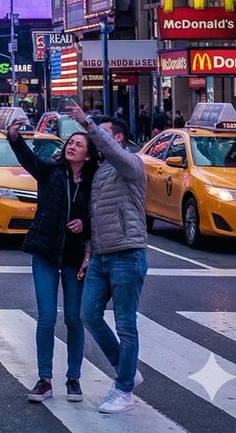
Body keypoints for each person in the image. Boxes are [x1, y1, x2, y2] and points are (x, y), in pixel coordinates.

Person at [5, 120, 98, 403]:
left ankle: (74, 378)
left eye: (78, 145)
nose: (72, 147)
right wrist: (14, 138)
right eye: (70, 143)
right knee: (46, 317)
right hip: (46, 251)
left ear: (89, 155)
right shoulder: (51, 172)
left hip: (74, 256)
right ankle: (45, 379)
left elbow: (100, 216)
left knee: (73, 318)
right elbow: (30, 160)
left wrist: (85, 226)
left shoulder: (96, 181)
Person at [67, 106, 147, 414]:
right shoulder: (100, 173)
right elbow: (96, 216)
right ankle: (125, 368)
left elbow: (111, 150)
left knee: (126, 324)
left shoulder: (131, 164)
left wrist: (87, 122)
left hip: (128, 253)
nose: (94, 139)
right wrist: (89, 251)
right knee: (88, 314)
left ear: (118, 138)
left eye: (102, 134)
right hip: (100, 255)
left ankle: (124, 389)